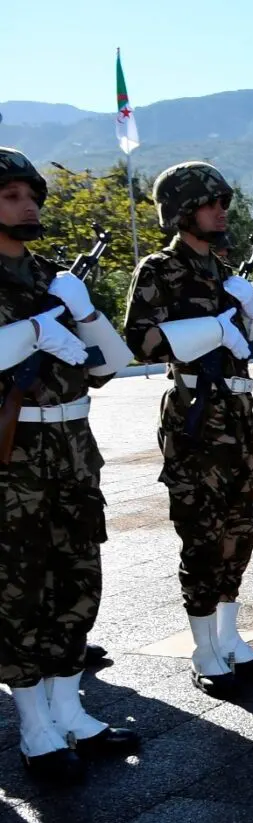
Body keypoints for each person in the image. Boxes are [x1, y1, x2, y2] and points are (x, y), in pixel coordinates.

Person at [0, 147, 139, 783]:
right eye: (11, 196)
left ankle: (69, 709)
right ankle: (33, 726)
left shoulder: (56, 279)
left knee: (78, 581)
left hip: (74, 451)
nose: (27, 205)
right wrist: (34, 335)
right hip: (14, 458)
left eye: (32, 195)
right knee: (19, 590)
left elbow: (111, 364)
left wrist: (80, 312)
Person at [124, 161, 253, 696]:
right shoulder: (160, 269)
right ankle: (203, 649)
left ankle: (230, 638)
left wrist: (246, 314)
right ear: (182, 210)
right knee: (202, 535)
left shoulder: (223, 270)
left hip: (236, 415)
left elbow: (248, 344)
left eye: (223, 203)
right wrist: (212, 327)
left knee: (239, 532)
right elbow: (138, 341)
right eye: (210, 203)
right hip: (195, 416)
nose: (221, 212)